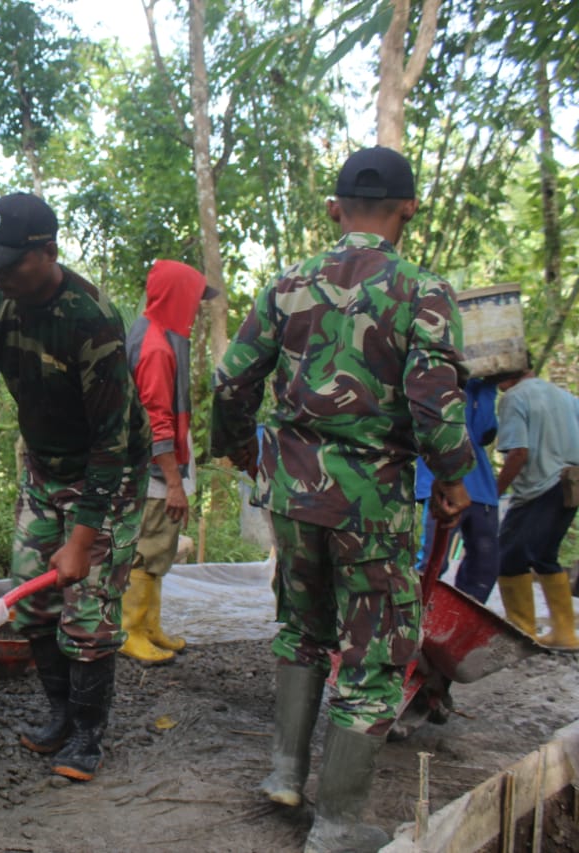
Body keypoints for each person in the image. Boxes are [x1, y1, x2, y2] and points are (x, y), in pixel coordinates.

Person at [210, 146, 474, 853]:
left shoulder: (288, 285)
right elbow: (435, 401)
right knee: (374, 651)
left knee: (302, 626)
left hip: (293, 494)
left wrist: (240, 449)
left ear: (334, 209)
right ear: (408, 207)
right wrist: (453, 478)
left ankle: (285, 771)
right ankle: (336, 825)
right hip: (372, 503)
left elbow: (231, 380)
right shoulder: (422, 291)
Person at [0, 192, 150, 783]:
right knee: (30, 597)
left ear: (48, 253)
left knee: (87, 605)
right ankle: (60, 714)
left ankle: (87, 734)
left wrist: (82, 538)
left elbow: (111, 441)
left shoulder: (90, 319)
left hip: (107, 474)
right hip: (44, 467)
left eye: (11, 263)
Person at [121, 260, 218, 665]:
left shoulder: (154, 333)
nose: (196, 309)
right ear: (178, 298)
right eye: (194, 300)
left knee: (158, 548)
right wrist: (174, 483)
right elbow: (156, 422)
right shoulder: (157, 348)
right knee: (147, 549)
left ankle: (149, 626)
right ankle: (130, 631)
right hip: (155, 473)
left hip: (156, 469)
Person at [493, 367, 579, 650]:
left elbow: (518, 452)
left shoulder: (515, 397)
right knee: (544, 555)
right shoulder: (565, 397)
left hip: (539, 487)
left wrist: (495, 492)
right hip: (570, 483)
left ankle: (521, 632)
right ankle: (564, 633)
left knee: (508, 557)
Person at [414, 377, 500, 602]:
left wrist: (488, 388)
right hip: (438, 484)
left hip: (480, 489)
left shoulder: (477, 388)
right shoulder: (426, 379)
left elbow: (484, 432)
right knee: (432, 563)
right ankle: (415, 613)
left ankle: (460, 619)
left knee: (483, 567)